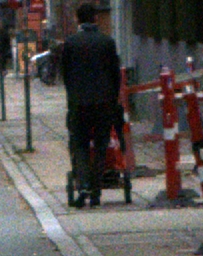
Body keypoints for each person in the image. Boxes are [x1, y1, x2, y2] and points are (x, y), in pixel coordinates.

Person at [58, 1, 121, 206]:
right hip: (103, 102)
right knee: (101, 145)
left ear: (78, 19)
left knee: (80, 144)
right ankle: (96, 190)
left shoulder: (71, 43)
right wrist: (113, 99)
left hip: (80, 103)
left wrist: (72, 97)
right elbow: (115, 74)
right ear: (95, 18)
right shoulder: (107, 42)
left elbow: (65, 74)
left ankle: (83, 184)